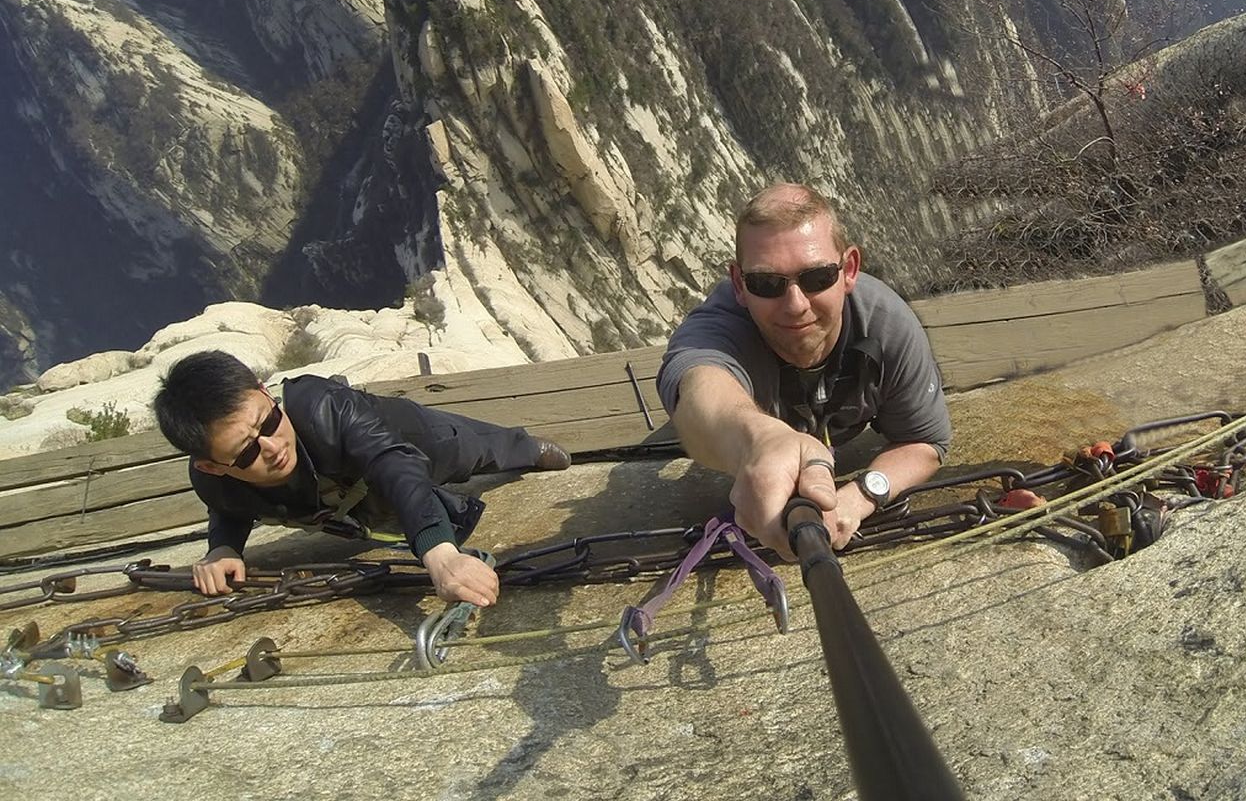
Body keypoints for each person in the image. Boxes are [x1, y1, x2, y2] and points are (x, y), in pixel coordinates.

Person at [657, 183, 951, 558]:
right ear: (739, 285)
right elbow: (699, 384)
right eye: (767, 283)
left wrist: (859, 498)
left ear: (849, 270)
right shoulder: (717, 329)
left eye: (816, 278)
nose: (795, 305)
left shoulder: (887, 326)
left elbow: (925, 442)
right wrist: (759, 440)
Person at [152, 350, 571, 606]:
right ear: (212, 466)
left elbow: (395, 462)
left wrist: (440, 555)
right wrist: (224, 547)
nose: (272, 447)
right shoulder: (211, 479)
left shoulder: (321, 406)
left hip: (407, 439)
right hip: (354, 495)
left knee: (475, 449)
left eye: (270, 421)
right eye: (245, 453)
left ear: (265, 392)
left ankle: (527, 448)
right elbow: (227, 506)